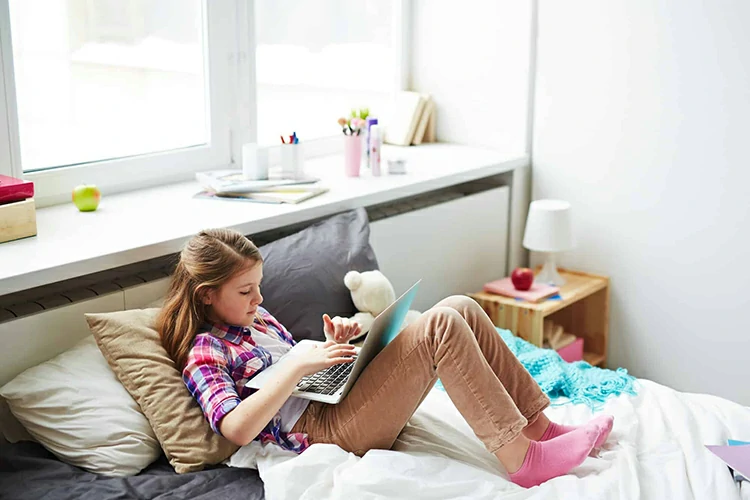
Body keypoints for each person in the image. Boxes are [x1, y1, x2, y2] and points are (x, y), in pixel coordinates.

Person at [158, 228, 614, 488]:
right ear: (207, 296)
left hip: (336, 398)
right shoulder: (206, 351)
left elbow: (290, 366)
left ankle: (539, 427)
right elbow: (235, 427)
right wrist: (298, 364)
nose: (259, 297)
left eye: (259, 285)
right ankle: (522, 460)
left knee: (459, 306)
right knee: (441, 328)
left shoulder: (253, 319)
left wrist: (334, 347)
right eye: (246, 290)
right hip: (323, 431)